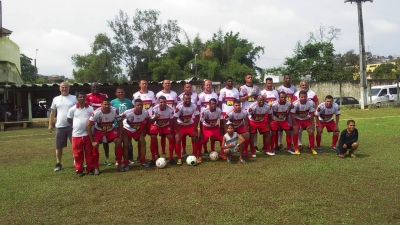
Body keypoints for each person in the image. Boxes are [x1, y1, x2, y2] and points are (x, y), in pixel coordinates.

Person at [87, 98, 123, 174]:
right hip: (99, 131)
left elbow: (120, 123)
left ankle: (119, 165)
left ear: (110, 105)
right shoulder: (96, 112)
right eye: (105, 104)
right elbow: (88, 126)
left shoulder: (114, 110)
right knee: (95, 145)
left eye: (108, 104)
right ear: (101, 105)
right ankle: (96, 168)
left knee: (118, 143)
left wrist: (120, 138)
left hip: (110, 130)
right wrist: (92, 141)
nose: (107, 106)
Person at [49, 82, 77, 172]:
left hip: (72, 126)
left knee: (75, 146)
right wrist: (50, 124)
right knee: (58, 147)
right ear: (59, 88)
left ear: (69, 88)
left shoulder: (74, 98)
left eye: (66, 87)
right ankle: (58, 163)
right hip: (60, 126)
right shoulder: (56, 99)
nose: (64, 89)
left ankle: (77, 162)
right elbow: (52, 112)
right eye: (62, 87)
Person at [67, 92, 94, 176]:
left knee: (89, 152)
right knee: (78, 154)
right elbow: (69, 120)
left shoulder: (90, 108)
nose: (82, 99)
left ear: (85, 98)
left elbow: (93, 119)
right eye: (80, 97)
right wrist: (77, 125)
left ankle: (90, 169)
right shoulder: (72, 109)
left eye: (83, 97)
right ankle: (79, 170)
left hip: (87, 134)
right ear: (77, 98)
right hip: (76, 135)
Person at [85, 82, 112, 166]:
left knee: (105, 141)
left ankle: (106, 158)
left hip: (103, 121)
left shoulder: (104, 96)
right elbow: (86, 107)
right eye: (93, 87)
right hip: (92, 121)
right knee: (92, 141)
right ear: (91, 88)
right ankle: (91, 160)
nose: (95, 88)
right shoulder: (87, 96)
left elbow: (107, 105)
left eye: (97, 87)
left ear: (99, 88)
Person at [121, 99, 150, 169]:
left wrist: (144, 130)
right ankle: (126, 163)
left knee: (143, 142)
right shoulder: (128, 112)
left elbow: (148, 120)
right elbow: (119, 119)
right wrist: (122, 130)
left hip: (137, 130)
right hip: (127, 129)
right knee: (126, 144)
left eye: (141, 105)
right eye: (138, 105)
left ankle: (143, 161)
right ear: (134, 106)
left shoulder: (145, 112)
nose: (139, 106)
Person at [132, 79, 157, 162]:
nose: (144, 85)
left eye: (145, 83)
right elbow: (133, 108)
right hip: (140, 120)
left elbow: (154, 105)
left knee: (153, 136)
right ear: (139, 85)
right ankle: (140, 155)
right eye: (142, 84)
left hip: (150, 119)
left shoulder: (152, 93)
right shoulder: (135, 95)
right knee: (141, 138)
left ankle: (155, 155)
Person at [174, 93, 200, 165]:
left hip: (190, 125)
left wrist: (195, 130)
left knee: (195, 137)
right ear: (183, 99)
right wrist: (178, 132)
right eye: (186, 99)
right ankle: (179, 158)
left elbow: (197, 117)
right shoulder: (179, 107)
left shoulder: (194, 106)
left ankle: (195, 156)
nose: (188, 100)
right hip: (180, 126)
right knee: (178, 139)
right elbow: (174, 119)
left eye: (189, 99)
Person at [148, 96, 175, 165]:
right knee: (153, 139)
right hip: (155, 125)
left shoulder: (170, 109)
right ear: (158, 102)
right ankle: (153, 159)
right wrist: (156, 117)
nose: (162, 104)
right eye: (161, 102)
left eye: (164, 102)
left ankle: (171, 158)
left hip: (166, 125)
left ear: (166, 102)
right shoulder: (154, 109)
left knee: (171, 139)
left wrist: (171, 131)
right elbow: (151, 122)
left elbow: (172, 121)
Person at [292, 80, 319, 150]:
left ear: (308, 85)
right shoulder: (296, 94)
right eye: (302, 85)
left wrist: (315, 110)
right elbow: (293, 103)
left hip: (309, 115)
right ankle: (299, 144)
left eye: (305, 85)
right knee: (299, 130)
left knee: (311, 129)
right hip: (299, 116)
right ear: (300, 86)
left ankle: (310, 144)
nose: (304, 86)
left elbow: (316, 101)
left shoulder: (312, 93)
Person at [111, 87, 134, 164]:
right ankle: (118, 159)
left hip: (127, 125)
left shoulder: (129, 102)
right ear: (116, 93)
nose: (120, 93)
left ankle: (130, 158)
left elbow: (132, 113)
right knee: (118, 142)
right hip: (117, 125)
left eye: (122, 92)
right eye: (119, 92)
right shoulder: (112, 102)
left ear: (124, 93)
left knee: (128, 142)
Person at [218, 76, 240, 158]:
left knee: (233, 133)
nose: (230, 82)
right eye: (228, 81)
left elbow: (237, 102)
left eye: (231, 81)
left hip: (234, 114)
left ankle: (234, 149)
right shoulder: (222, 91)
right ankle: (223, 152)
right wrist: (221, 113)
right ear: (226, 82)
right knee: (225, 134)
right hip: (225, 113)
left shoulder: (236, 91)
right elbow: (220, 103)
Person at [156, 80, 178, 158]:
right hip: (161, 117)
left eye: (168, 83)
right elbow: (157, 105)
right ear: (163, 85)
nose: (167, 84)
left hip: (170, 116)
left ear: (170, 85)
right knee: (162, 136)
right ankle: (163, 151)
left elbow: (176, 105)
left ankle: (174, 151)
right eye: (165, 83)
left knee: (172, 134)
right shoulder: (159, 94)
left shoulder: (174, 94)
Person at [239, 73, 260, 154]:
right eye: (248, 77)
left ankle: (255, 145)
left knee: (254, 129)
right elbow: (240, 99)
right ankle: (243, 146)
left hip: (254, 111)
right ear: (245, 79)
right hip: (245, 111)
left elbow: (259, 98)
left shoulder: (256, 88)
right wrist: (249, 95)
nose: (250, 79)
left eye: (251, 77)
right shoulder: (242, 88)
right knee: (245, 129)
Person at [197, 79, 219, 156]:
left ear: (211, 86)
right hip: (204, 118)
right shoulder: (200, 95)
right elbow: (198, 106)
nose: (208, 86)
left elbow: (217, 105)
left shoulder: (215, 95)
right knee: (204, 136)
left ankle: (212, 150)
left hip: (212, 117)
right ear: (204, 86)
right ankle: (205, 150)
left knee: (213, 136)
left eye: (209, 85)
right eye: (207, 85)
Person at [291, 90, 316, 155]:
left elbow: (312, 114)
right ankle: (296, 148)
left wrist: (310, 125)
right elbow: (292, 114)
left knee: (311, 131)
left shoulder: (310, 103)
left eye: (304, 97)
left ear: (307, 97)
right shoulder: (295, 103)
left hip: (306, 119)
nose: (303, 98)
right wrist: (295, 125)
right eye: (301, 97)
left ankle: (312, 148)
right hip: (297, 120)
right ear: (299, 97)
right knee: (295, 131)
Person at [198, 98, 224, 163]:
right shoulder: (205, 111)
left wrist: (221, 129)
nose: (213, 105)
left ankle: (222, 154)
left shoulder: (219, 110)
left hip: (215, 127)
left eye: (215, 104)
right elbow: (201, 122)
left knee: (222, 138)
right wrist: (201, 132)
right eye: (212, 104)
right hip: (206, 127)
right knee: (201, 140)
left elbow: (221, 120)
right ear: (209, 104)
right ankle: (200, 156)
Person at [177, 83, 199, 157]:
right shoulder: (180, 97)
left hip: (191, 118)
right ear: (184, 88)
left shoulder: (195, 95)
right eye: (187, 87)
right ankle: (183, 151)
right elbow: (177, 112)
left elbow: (197, 105)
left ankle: (195, 153)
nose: (189, 88)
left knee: (194, 136)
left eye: (190, 87)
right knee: (182, 137)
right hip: (182, 119)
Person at [276, 74, 297, 151]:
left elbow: (295, 98)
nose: (288, 79)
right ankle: (279, 143)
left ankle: (290, 143)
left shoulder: (294, 88)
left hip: (290, 109)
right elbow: (278, 99)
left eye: (289, 78)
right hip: (281, 110)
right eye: (286, 78)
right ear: (284, 79)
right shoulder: (280, 88)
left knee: (290, 127)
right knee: (280, 128)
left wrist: (290, 106)